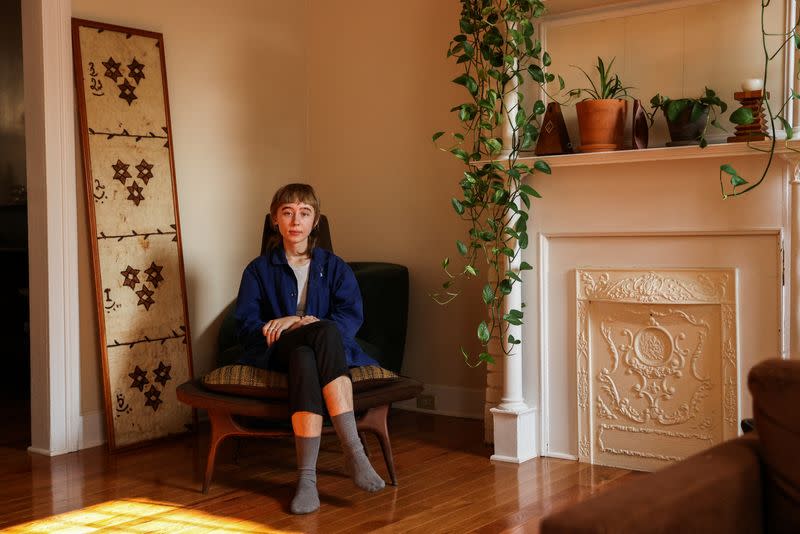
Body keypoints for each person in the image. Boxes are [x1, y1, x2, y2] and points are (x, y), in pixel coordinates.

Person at [234, 183, 385, 514]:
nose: (295, 220)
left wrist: (305, 324)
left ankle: (306, 480)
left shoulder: (334, 266)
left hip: (319, 352)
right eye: (287, 212)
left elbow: (350, 317)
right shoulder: (257, 270)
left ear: (315, 221)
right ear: (275, 219)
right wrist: (289, 321)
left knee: (311, 348)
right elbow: (246, 325)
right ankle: (354, 452)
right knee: (315, 336)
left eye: (304, 213)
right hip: (275, 351)